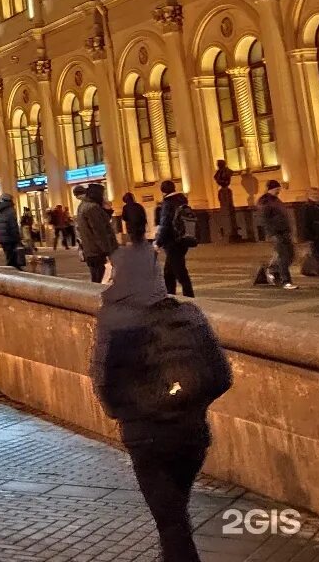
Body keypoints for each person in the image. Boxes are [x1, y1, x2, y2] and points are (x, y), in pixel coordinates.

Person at [91, 230, 231, 562]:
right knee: (174, 517)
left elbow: (105, 386)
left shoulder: (115, 322)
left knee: (172, 525)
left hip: (148, 440)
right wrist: (188, 404)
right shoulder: (189, 315)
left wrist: (137, 413)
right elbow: (221, 376)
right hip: (192, 437)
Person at [154, 181, 196, 298]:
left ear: (163, 190)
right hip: (183, 239)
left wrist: (158, 242)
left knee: (180, 271)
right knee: (169, 272)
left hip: (172, 242)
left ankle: (189, 296)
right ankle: (169, 295)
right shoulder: (182, 200)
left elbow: (165, 224)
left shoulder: (168, 203)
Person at [258, 180, 297, 290]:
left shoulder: (276, 200)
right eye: (277, 188)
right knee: (283, 256)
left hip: (284, 231)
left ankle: (272, 269)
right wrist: (272, 233)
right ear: (272, 188)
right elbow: (264, 219)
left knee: (290, 255)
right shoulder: (264, 201)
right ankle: (286, 281)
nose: (279, 190)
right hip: (276, 233)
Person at [76, 182, 117, 283]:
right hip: (98, 251)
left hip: (91, 250)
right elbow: (100, 232)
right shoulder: (93, 208)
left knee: (97, 279)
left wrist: (107, 210)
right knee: (101, 279)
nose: (103, 197)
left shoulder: (83, 206)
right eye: (102, 195)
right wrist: (108, 252)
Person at [0, 194, 24, 269]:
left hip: (2, 236)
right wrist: (17, 237)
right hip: (10, 236)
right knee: (13, 253)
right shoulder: (10, 210)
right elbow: (13, 225)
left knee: (8, 253)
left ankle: (14, 267)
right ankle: (13, 268)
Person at [215, 159, 240, 242]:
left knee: (228, 209)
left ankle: (232, 233)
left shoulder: (227, 172)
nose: (217, 165)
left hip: (225, 191)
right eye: (217, 164)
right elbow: (216, 178)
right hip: (223, 191)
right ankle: (227, 232)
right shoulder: (218, 173)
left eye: (219, 164)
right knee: (225, 209)